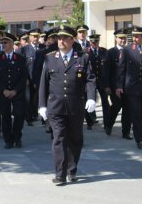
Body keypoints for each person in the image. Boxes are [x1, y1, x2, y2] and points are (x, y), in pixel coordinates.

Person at [39, 25, 96, 185]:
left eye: (65, 38)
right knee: (59, 138)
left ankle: (72, 169)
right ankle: (60, 174)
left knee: (75, 139)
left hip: (75, 106)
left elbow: (90, 79)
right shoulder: (50, 58)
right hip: (55, 107)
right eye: (59, 38)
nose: (61, 41)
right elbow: (43, 82)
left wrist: (91, 98)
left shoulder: (82, 58)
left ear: (72, 40)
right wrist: (42, 105)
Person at [0, 33, 27, 148]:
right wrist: (3, 90)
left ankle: (17, 137)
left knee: (19, 114)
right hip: (3, 93)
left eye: (5, 42)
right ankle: (8, 140)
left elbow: (24, 77)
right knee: (5, 116)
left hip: (17, 92)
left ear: (12, 43)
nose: (3, 45)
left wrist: (15, 90)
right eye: (2, 43)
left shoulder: (21, 59)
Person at [116, 26, 142, 149]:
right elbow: (121, 69)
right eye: (134, 36)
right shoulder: (127, 50)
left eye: (138, 36)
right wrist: (119, 86)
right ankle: (139, 139)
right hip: (133, 87)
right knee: (136, 114)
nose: (135, 39)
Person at [104, 28, 131, 139]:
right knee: (116, 106)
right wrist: (107, 86)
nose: (123, 40)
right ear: (116, 39)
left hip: (128, 86)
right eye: (120, 38)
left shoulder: (130, 51)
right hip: (114, 86)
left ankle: (126, 132)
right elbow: (106, 70)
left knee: (127, 110)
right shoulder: (110, 52)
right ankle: (109, 125)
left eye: (124, 38)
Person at [84, 33, 109, 130]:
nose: (95, 43)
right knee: (90, 101)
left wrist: (108, 84)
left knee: (105, 103)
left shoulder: (104, 51)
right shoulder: (85, 52)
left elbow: (107, 68)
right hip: (90, 81)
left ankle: (107, 124)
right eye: (93, 42)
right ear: (90, 42)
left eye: (96, 41)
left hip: (102, 81)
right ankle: (90, 122)